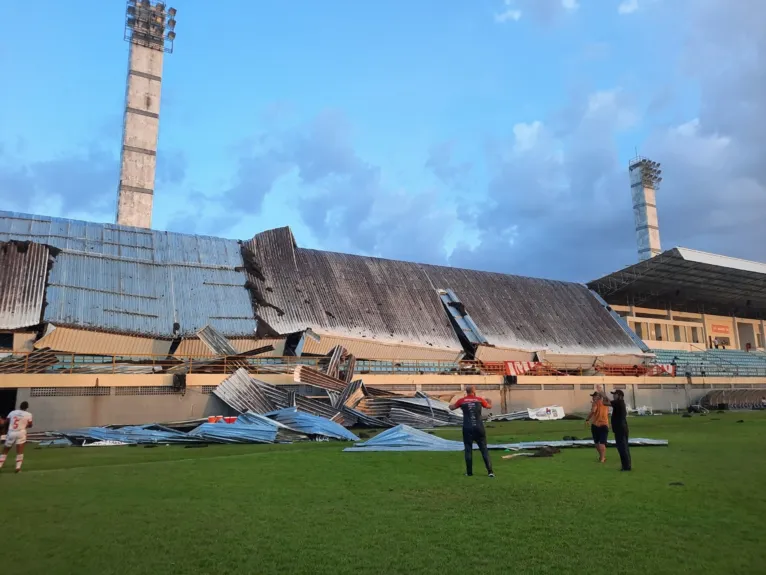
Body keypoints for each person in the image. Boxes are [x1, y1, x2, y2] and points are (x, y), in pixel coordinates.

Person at [449, 386, 494, 477]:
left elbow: (452, 407)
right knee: (484, 449)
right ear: (474, 391)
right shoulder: (480, 400)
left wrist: (450, 404)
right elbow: (489, 406)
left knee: (468, 449)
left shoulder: (461, 401)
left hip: (467, 428)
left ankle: (469, 473)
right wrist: (489, 401)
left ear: (466, 391)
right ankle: (490, 472)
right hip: (479, 428)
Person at [0, 401, 34, 474]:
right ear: (27, 408)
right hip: (21, 432)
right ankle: (18, 468)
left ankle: (0, 465)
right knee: (20, 451)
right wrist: (25, 425)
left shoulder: (12, 412)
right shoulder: (28, 414)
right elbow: (30, 425)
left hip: (12, 431)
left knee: (5, 450)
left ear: (20, 406)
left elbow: (6, 422)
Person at [603, 390, 631, 471]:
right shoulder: (619, 403)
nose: (613, 396)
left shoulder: (618, 403)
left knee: (622, 448)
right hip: (622, 428)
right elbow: (607, 402)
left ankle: (626, 467)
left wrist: (602, 394)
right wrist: (604, 397)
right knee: (625, 447)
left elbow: (606, 403)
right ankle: (626, 465)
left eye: (614, 394)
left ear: (619, 395)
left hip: (620, 429)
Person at [585, 392, 609, 463]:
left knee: (597, 442)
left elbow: (593, 411)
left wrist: (587, 419)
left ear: (598, 396)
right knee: (602, 442)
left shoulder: (595, 403)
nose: (592, 397)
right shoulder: (606, 403)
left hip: (596, 424)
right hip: (604, 424)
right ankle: (602, 457)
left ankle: (602, 458)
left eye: (594, 396)